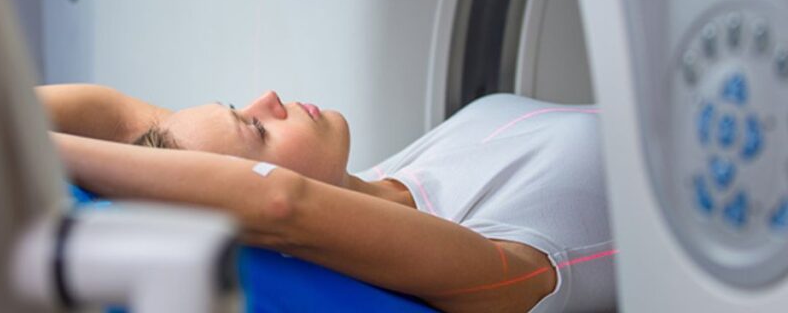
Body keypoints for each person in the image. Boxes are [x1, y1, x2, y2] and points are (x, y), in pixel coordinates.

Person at [39, 85, 615, 313]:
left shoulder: (391, 178)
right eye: (255, 128)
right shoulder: (496, 268)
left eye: (238, 104)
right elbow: (283, 205)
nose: (268, 98)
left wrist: (6, 139)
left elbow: (112, 116)